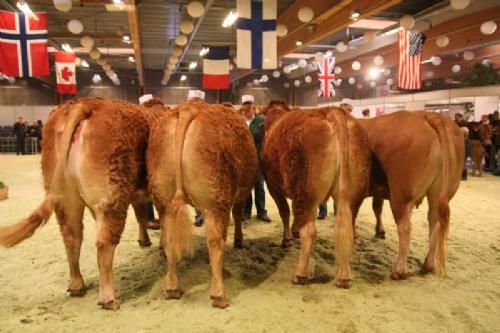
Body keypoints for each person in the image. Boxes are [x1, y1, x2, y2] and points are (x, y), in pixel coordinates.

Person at [241, 95, 271, 222]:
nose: (248, 106)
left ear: (253, 105)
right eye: (245, 104)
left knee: (259, 186)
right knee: (246, 187)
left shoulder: (261, 121)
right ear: (242, 106)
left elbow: (267, 137)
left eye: (250, 104)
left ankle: (261, 212)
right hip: (244, 160)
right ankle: (246, 212)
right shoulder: (239, 121)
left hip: (258, 159)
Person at [139, 94, 160, 229]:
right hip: (150, 159)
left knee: (146, 192)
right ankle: (149, 219)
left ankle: (149, 219)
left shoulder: (141, 118)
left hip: (145, 159)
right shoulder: (153, 118)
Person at [186, 89, 207, 227]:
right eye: (191, 101)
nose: (193, 103)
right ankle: (200, 215)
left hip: (205, 157)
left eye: (196, 101)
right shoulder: (185, 116)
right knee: (194, 187)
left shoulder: (207, 117)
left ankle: (206, 213)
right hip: (190, 157)